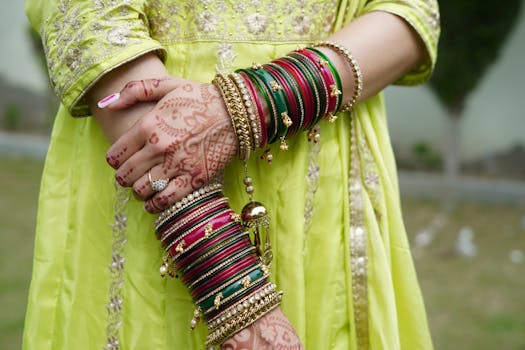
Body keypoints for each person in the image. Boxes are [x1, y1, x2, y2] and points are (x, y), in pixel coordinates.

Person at [23, 0, 439, 349]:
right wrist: (235, 293)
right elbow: (90, 25)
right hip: (160, 206)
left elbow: (411, 15)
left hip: (329, 197)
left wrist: (244, 106)